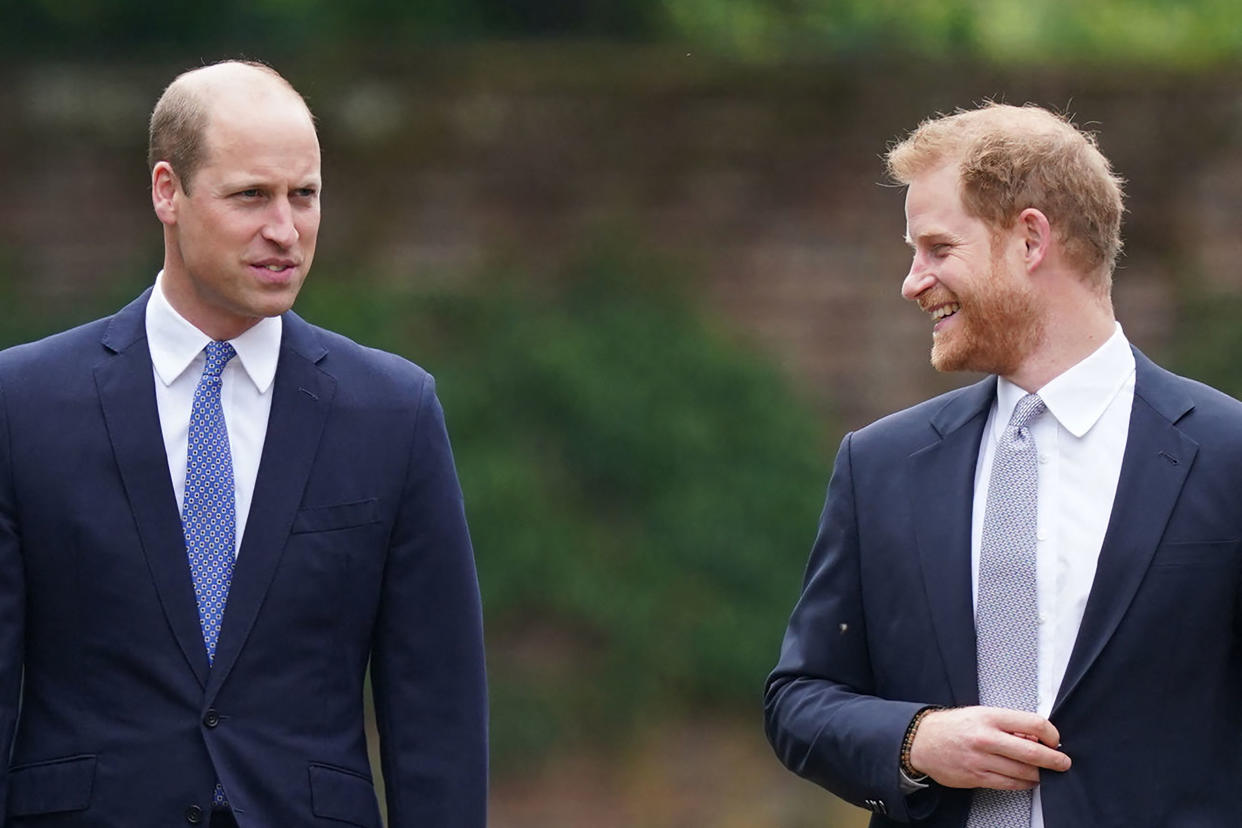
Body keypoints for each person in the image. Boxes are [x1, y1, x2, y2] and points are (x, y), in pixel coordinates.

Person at [0, 60, 487, 827]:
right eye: (251, 196)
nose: (285, 230)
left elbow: (438, 713)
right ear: (168, 191)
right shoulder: (20, 403)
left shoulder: (394, 412)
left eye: (305, 195)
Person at [764, 101, 1242, 827]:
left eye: (936, 247)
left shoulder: (1228, 454)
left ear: (1029, 240)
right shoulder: (879, 465)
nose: (912, 281)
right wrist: (914, 741)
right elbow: (799, 700)